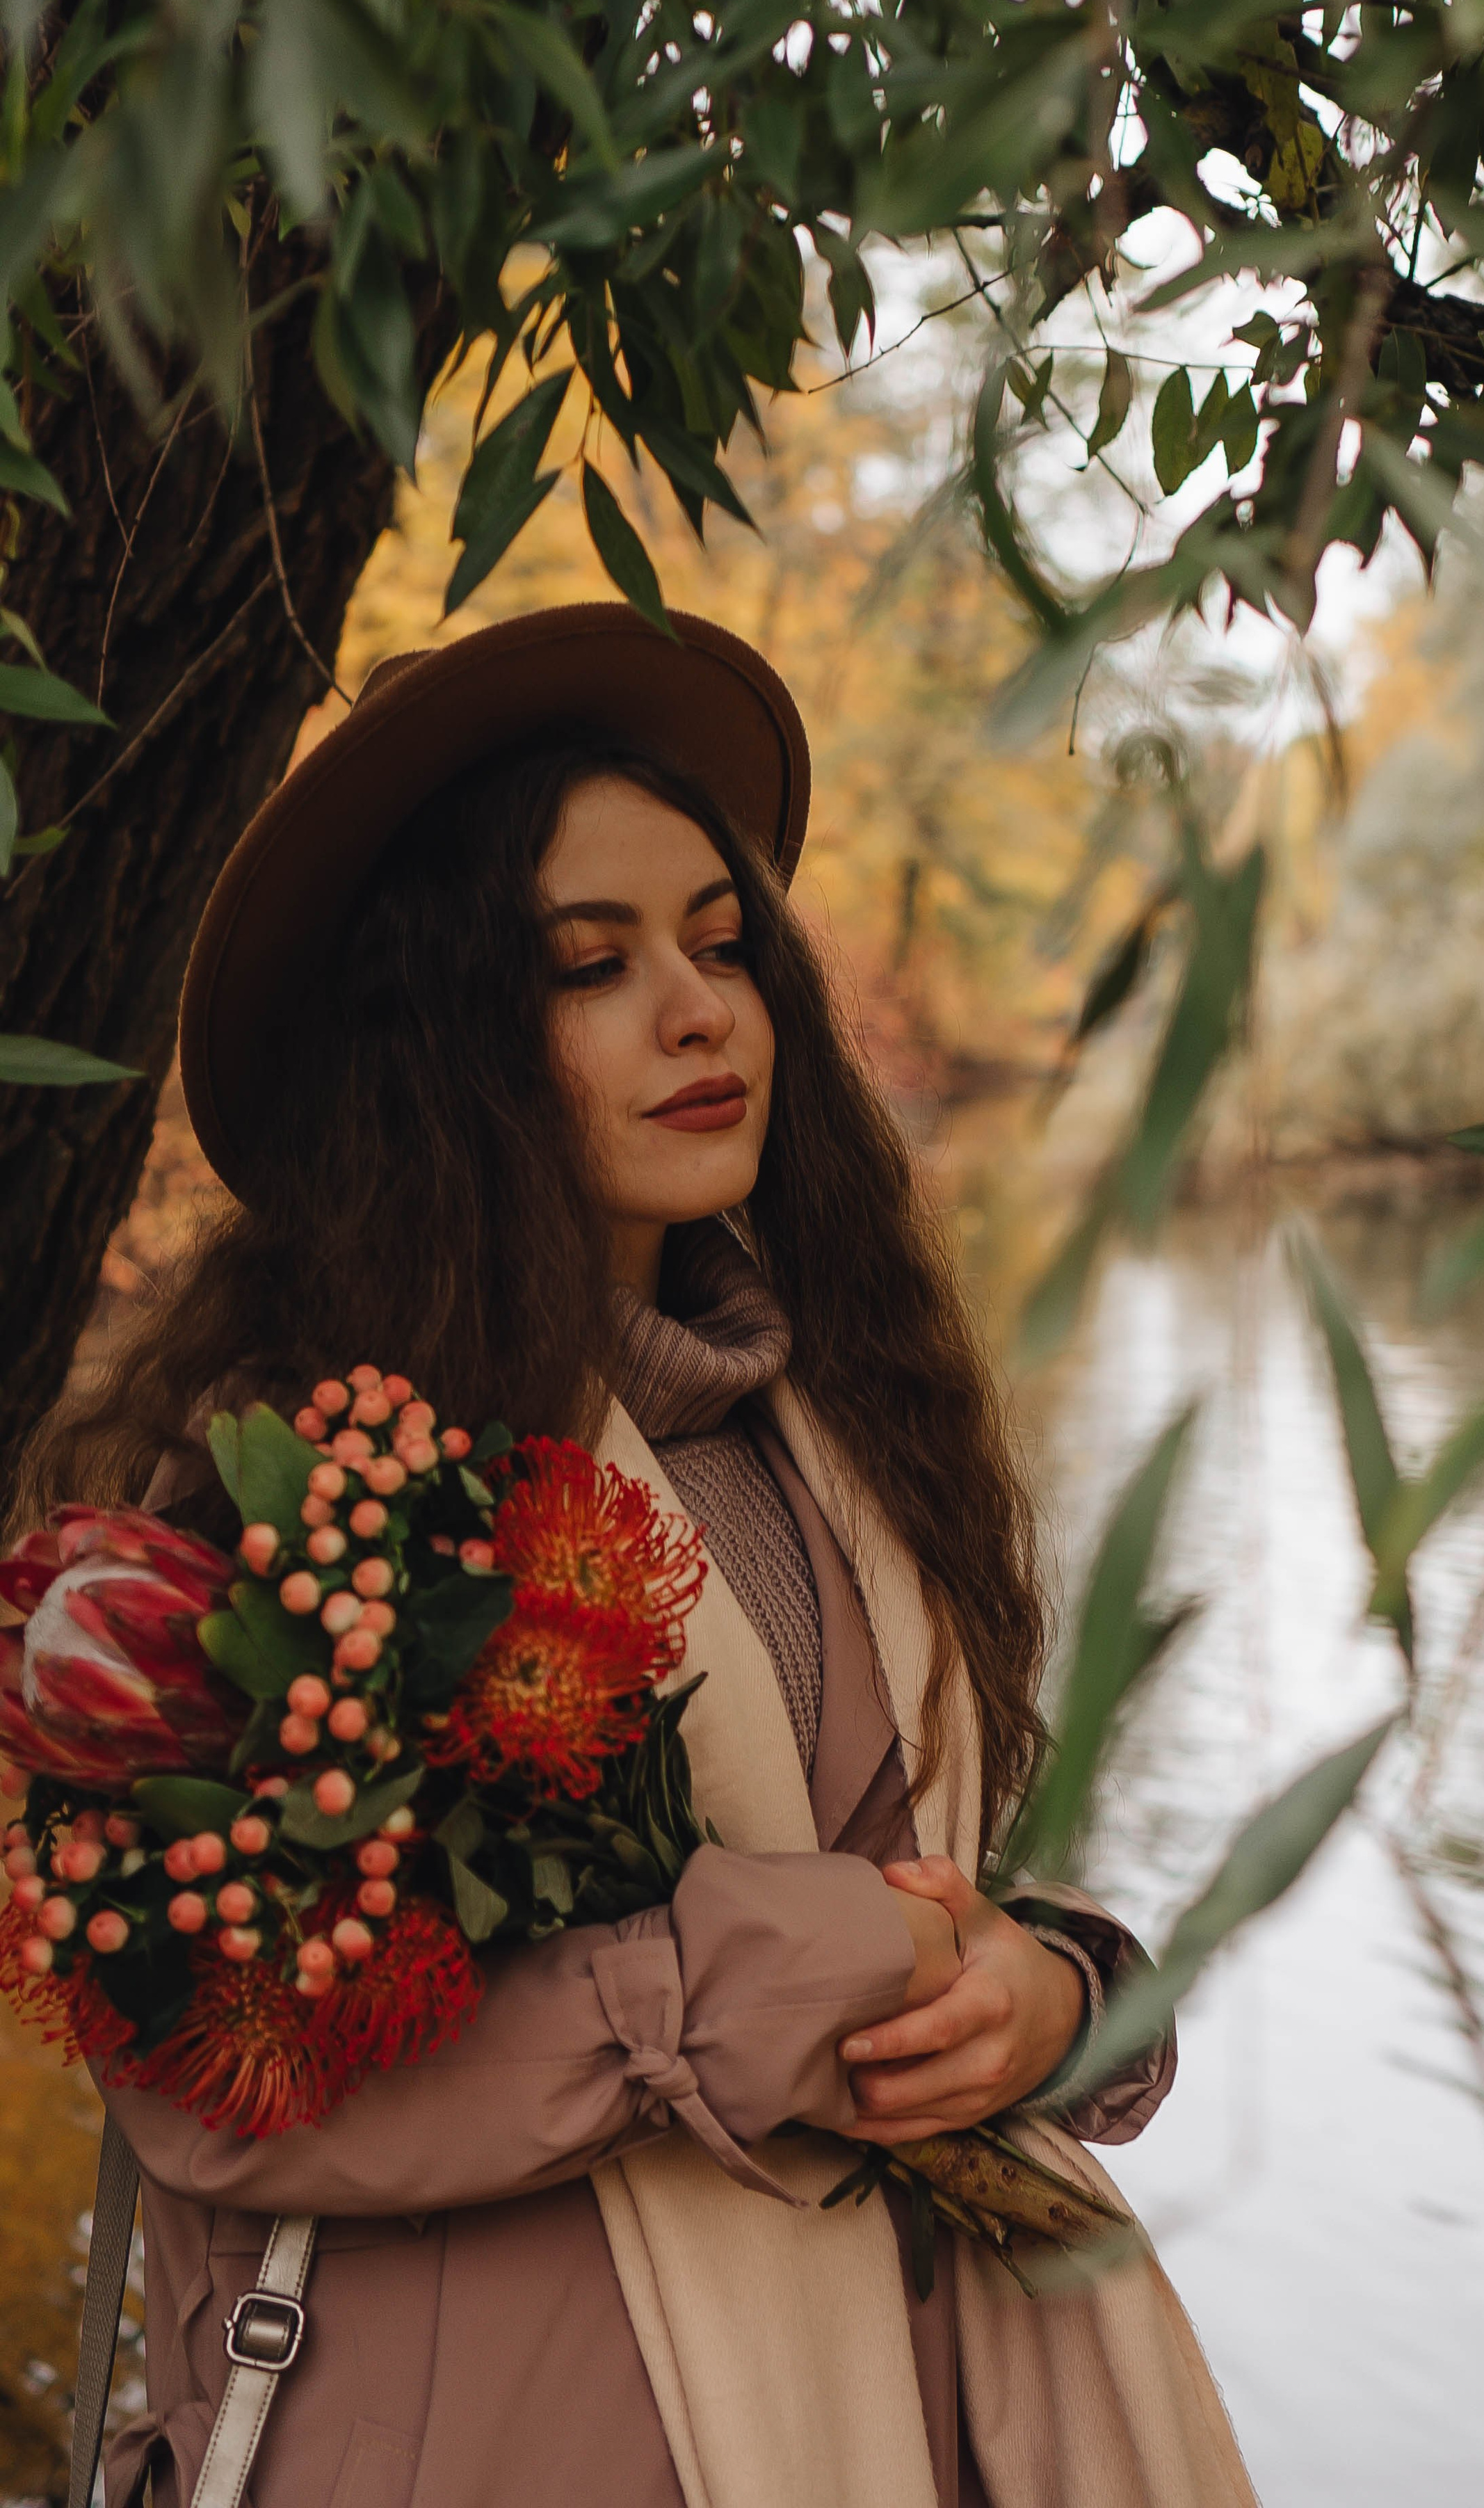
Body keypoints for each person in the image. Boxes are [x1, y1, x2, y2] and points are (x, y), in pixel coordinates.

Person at [19, 604, 1257, 2508]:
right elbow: (204, 2075)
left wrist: (1059, 1994)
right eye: (593, 965)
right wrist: (742, 1983)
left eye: (722, 942)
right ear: (434, 1049)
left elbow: (907, 1878)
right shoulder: (300, 1473)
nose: (704, 1011)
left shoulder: (849, 1418)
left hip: (914, 2419)